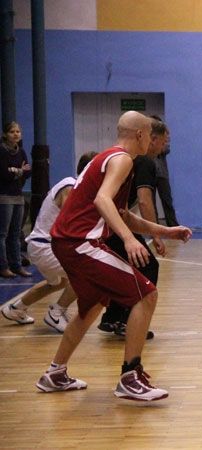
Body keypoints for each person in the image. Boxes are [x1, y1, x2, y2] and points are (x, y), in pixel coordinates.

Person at [35, 111, 192, 401]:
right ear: (141, 135)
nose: (152, 141)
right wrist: (129, 240)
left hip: (67, 242)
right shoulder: (122, 159)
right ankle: (130, 377)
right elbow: (102, 200)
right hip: (80, 242)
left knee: (92, 306)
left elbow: (121, 214)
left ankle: (55, 373)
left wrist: (166, 231)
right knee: (147, 294)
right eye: (150, 135)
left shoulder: (108, 159)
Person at [1, 152, 97, 332]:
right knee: (84, 275)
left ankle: (16, 308)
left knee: (58, 283)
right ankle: (56, 313)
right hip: (45, 245)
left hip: (42, 245)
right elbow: (70, 220)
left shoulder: (77, 187)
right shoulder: (70, 185)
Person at [97, 117, 170, 338]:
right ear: (150, 138)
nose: (164, 148)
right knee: (147, 266)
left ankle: (112, 317)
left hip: (107, 223)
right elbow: (145, 200)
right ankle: (128, 322)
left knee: (127, 268)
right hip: (107, 225)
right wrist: (155, 235)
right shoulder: (144, 161)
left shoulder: (122, 157)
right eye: (163, 142)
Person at [0, 121, 32, 278]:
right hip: (4, 197)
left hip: (18, 196)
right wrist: (20, 171)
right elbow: (4, 174)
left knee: (15, 233)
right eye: (12, 132)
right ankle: (3, 266)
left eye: (18, 131)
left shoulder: (21, 151)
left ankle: (16, 265)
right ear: (5, 134)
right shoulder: (1, 151)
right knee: (2, 234)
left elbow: (28, 172)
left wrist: (16, 172)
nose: (15, 134)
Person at [154, 125, 179, 227]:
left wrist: (157, 147)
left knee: (167, 200)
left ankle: (173, 225)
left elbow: (166, 149)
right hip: (150, 173)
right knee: (151, 201)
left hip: (162, 174)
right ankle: (154, 225)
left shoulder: (164, 137)